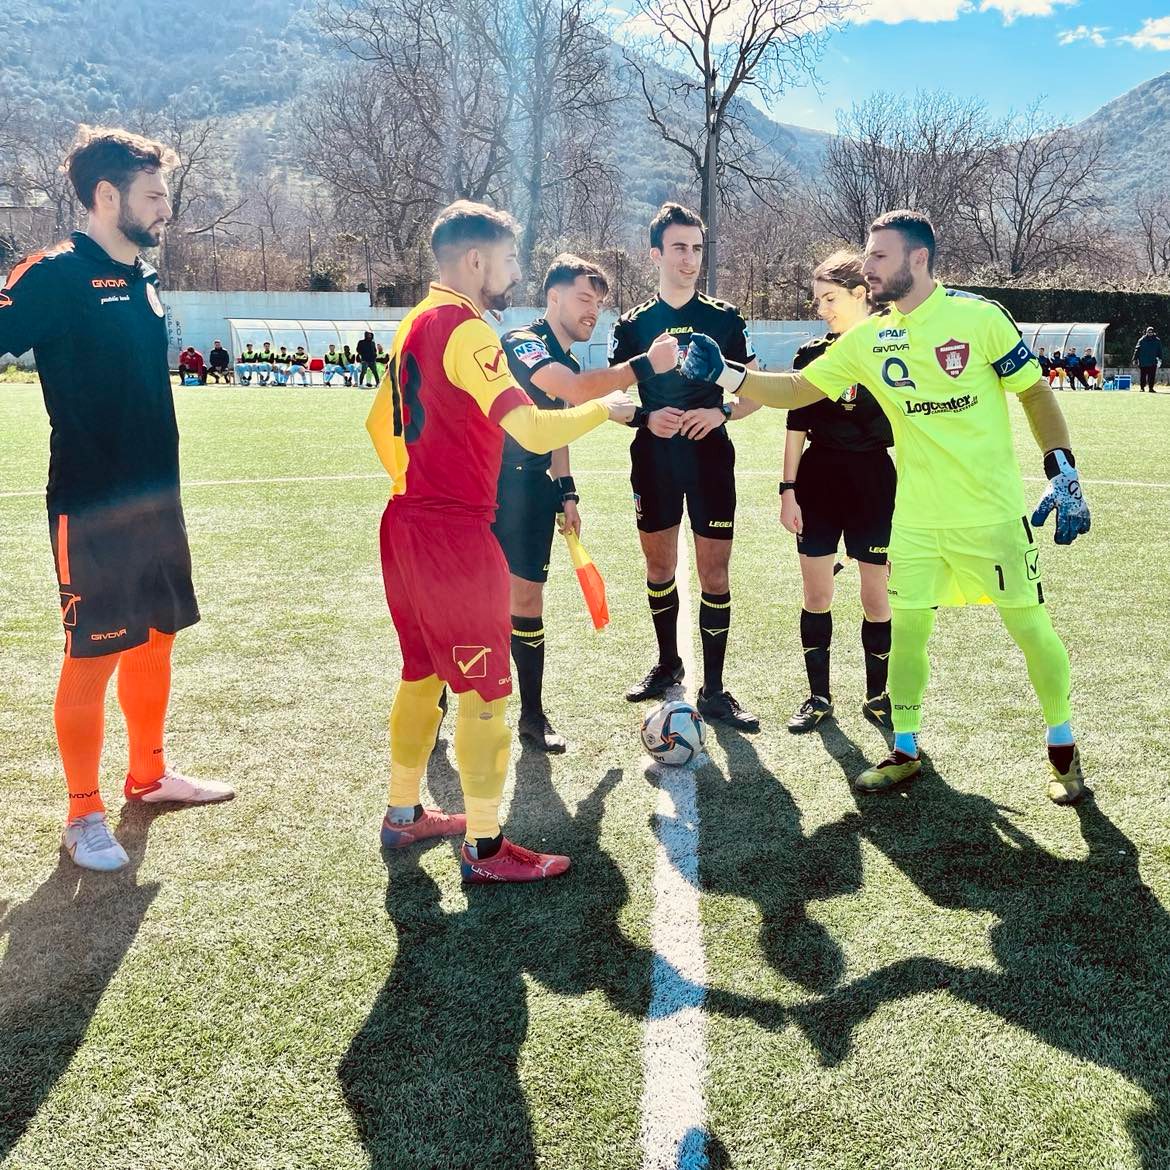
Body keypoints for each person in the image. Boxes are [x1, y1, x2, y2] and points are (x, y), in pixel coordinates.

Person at [682, 209, 1091, 805]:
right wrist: (726, 374)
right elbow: (796, 390)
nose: (867, 267)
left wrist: (1061, 466)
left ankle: (1062, 747)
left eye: (879, 256)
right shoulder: (870, 338)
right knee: (909, 632)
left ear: (917, 259)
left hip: (992, 515)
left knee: (1029, 627)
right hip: (916, 520)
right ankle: (904, 748)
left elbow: (1032, 390)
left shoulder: (978, 318)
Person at [366, 199, 642, 884]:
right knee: (486, 690)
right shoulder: (467, 329)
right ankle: (485, 849)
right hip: (454, 533)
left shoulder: (413, 321)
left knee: (421, 673)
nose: (515, 271)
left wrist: (418, 484)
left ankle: (403, 812)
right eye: (510, 258)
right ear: (476, 260)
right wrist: (604, 409)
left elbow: (378, 425)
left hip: (403, 521)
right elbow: (533, 429)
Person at [0, 126, 233, 872]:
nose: (167, 208)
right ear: (107, 196)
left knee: (157, 636)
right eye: (154, 195)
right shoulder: (53, 274)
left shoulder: (142, 276)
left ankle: (149, 775)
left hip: (157, 499)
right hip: (91, 503)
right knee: (92, 655)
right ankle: (82, 814)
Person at [493, 253, 677, 752]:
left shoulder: (569, 359)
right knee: (471, 599)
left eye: (598, 303)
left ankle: (532, 715)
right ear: (553, 297)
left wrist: (567, 490)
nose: (593, 310)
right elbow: (572, 391)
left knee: (527, 601)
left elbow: (560, 426)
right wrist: (645, 365)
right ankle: (440, 701)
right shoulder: (523, 341)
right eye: (583, 298)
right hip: (485, 487)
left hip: (532, 490)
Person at [608, 202, 761, 731]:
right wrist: (645, 418)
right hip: (654, 459)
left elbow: (755, 393)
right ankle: (668, 663)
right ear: (655, 254)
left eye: (697, 248)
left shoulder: (725, 319)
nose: (690, 259)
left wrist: (720, 412)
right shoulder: (633, 325)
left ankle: (714, 689)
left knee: (715, 572)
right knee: (659, 568)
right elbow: (610, 397)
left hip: (710, 458)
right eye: (679, 248)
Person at [780, 250, 895, 734]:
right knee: (817, 594)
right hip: (818, 480)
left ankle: (879, 696)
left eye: (830, 298)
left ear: (860, 294)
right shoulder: (811, 355)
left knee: (877, 598)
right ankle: (818, 697)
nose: (821, 309)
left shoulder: (893, 347)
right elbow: (795, 428)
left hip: (874, 482)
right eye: (818, 300)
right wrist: (788, 490)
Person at [1133, 326, 1162, 392]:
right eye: (1149, 332)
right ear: (1146, 332)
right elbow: (1137, 350)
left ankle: (1151, 388)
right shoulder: (1141, 340)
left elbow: (1159, 351)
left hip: (1153, 362)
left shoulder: (1157, 340)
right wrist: (1134, 359)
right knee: (1143, 376)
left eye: (1151, 332)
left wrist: (1160, 359)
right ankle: (1142, 388)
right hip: (1143, 362)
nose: (1150, 333)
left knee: (1152, 376)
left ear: (1153, 332)